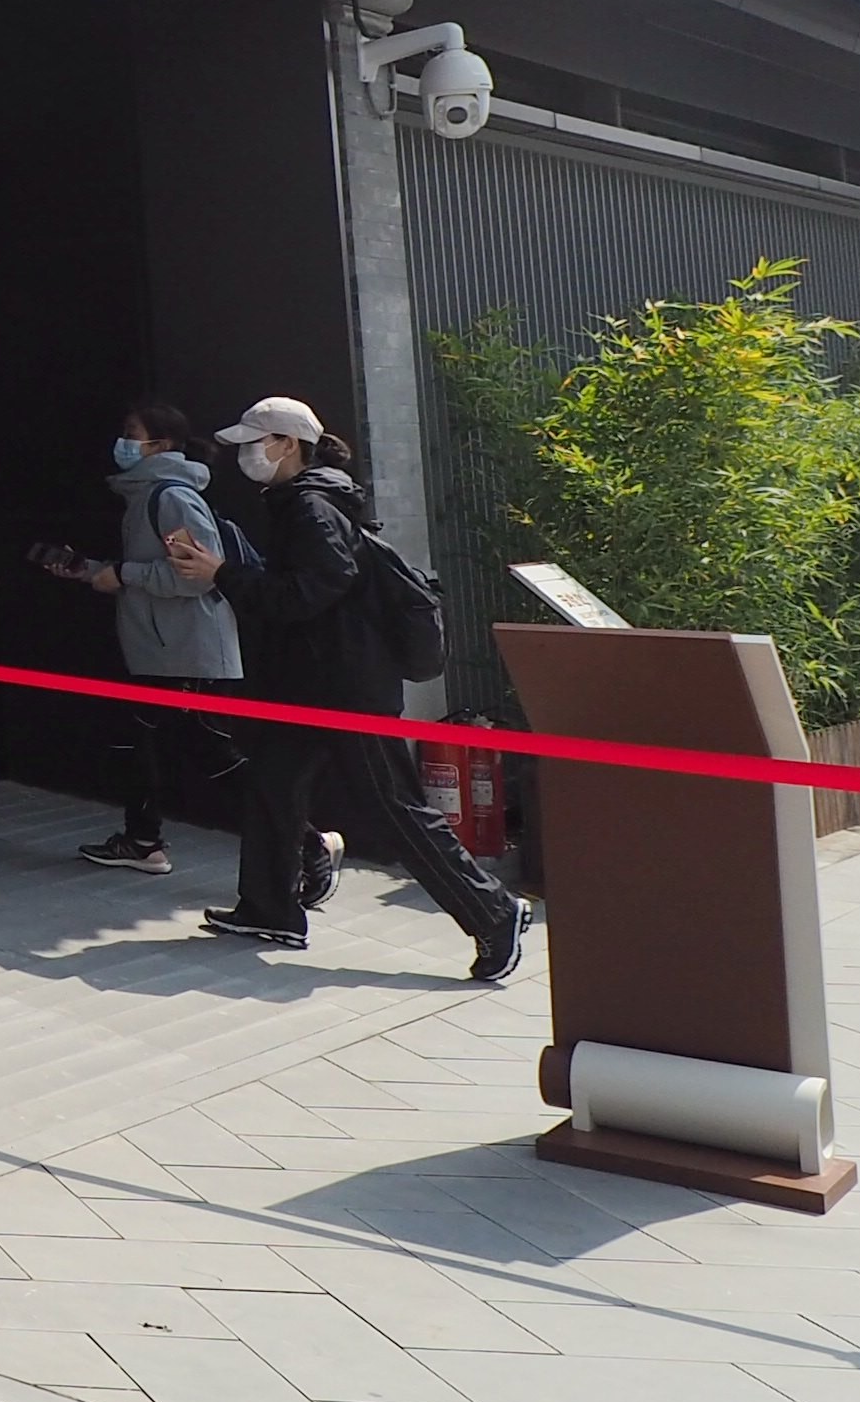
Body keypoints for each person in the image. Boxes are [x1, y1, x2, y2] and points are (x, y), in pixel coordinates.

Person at [164, 394, 521, 983]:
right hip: (312, 684)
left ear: (287, 445)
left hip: (345, 689)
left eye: (253, 443)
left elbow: (309, 593)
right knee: (272, 787)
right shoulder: (305, 502)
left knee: (395, 807)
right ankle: (269, 909)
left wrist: (222, 573)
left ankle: (494, 913)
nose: (245, 455)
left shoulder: (310, 508)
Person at [33, 399, 246, 875]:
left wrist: (124, 575)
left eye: (132, 434)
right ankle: (143, 840)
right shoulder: (145, 497)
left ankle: (306, 843)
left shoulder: (171, 498)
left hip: (189, 654)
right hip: (159, 652)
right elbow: (146, 572)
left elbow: (199, 575)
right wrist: (88, 570)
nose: (123, 443)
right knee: (139, 746)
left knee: (214, 756)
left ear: (160, 444)